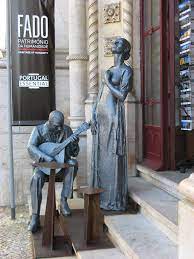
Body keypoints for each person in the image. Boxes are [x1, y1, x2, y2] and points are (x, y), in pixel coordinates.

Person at [91, 38, 133, 211]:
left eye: (117, 44)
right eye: (114, 43)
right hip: (102, 117)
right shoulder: (109, 70)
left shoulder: (127, 71)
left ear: (124, 51)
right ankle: (101, 196)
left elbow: (122, 96)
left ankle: (113, 199)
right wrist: (93, 114)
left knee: (112, 157)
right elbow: (99, 94)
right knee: (101, 157)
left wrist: (108, 82)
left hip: (114, 117)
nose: (114, 46)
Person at [27, 110, 79, 233]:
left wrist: (75, 143)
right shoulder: (39, 130)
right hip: (43, 169)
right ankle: (35, 217)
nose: (60, 128)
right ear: (49, 122)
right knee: (35, 178)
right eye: (57, 126)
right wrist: (45, 156)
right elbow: (30, 147)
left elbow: (73, 154)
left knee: (73, 164)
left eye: (61, 125)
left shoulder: (66, 130)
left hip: (61, 168)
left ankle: (63, 201)